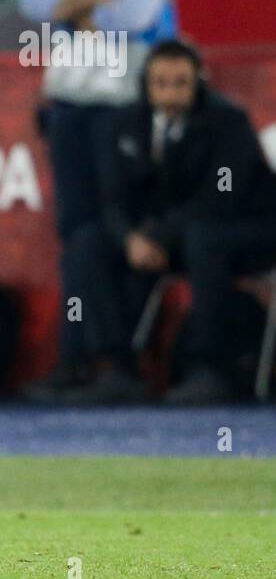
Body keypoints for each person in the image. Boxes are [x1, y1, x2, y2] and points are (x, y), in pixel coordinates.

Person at [19, 0, 186, 399]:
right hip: (70, 100)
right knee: (74, 231)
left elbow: (137, 15)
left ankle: (117, 361)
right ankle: (76, 358)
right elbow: (33, 4)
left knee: (110, 228)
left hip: (122, 104)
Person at [51, 40, 276, 404]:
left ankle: (210, 368)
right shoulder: (125, 125)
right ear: (146, 84)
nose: (170, 93)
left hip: (246, 231)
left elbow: (220, 198)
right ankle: (117, 366)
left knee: (204, 240)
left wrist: (157, 236)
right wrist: (130, 240)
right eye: (161, 83)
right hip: (172, 237)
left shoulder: (228, 123)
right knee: (89, 241)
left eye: (180, 83)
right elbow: (113, 198)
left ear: (198, 82)